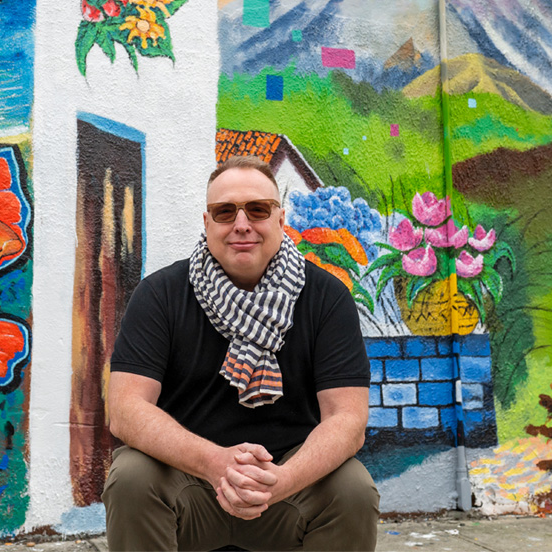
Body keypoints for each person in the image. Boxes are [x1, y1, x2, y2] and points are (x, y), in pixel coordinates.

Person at [102, 155, 379, 551]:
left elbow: (348, 419)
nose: (242, 224)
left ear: (281, 220)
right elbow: (125, 410)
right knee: (130, 475)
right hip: (191, 487)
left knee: (353, 488)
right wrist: (215, 464)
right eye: (225, 211)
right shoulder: (160, 295)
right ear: (207, 222)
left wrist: (280, 481)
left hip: (288, 489)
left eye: (258, 209)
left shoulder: (326, 298)